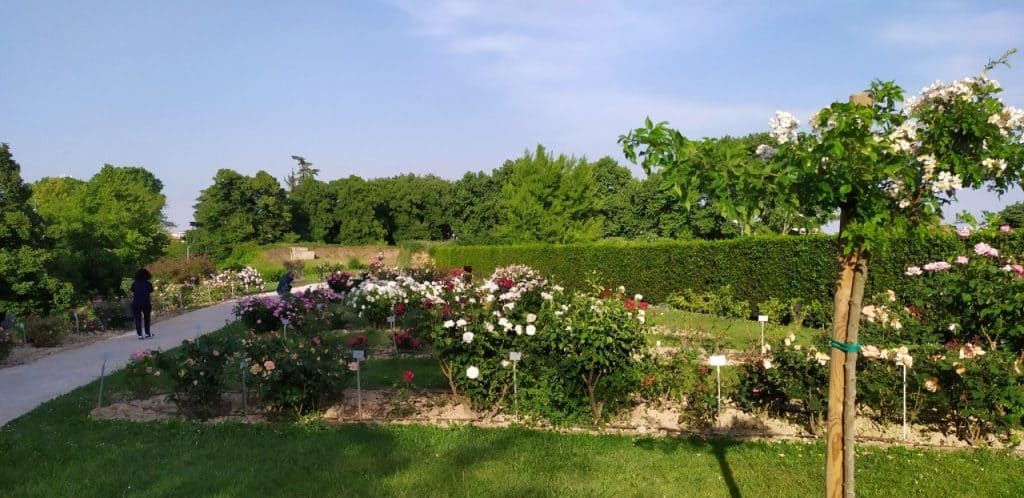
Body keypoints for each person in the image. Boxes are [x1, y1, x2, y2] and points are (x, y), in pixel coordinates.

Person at [130, 268, 154, 340]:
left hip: (136, 303)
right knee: (147, 318)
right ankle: (147, 333)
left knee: (137, 319)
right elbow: (151, 295)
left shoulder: (134, 284)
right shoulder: (148, 284)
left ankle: (140, 335)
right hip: (146, 302)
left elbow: (132, 294)